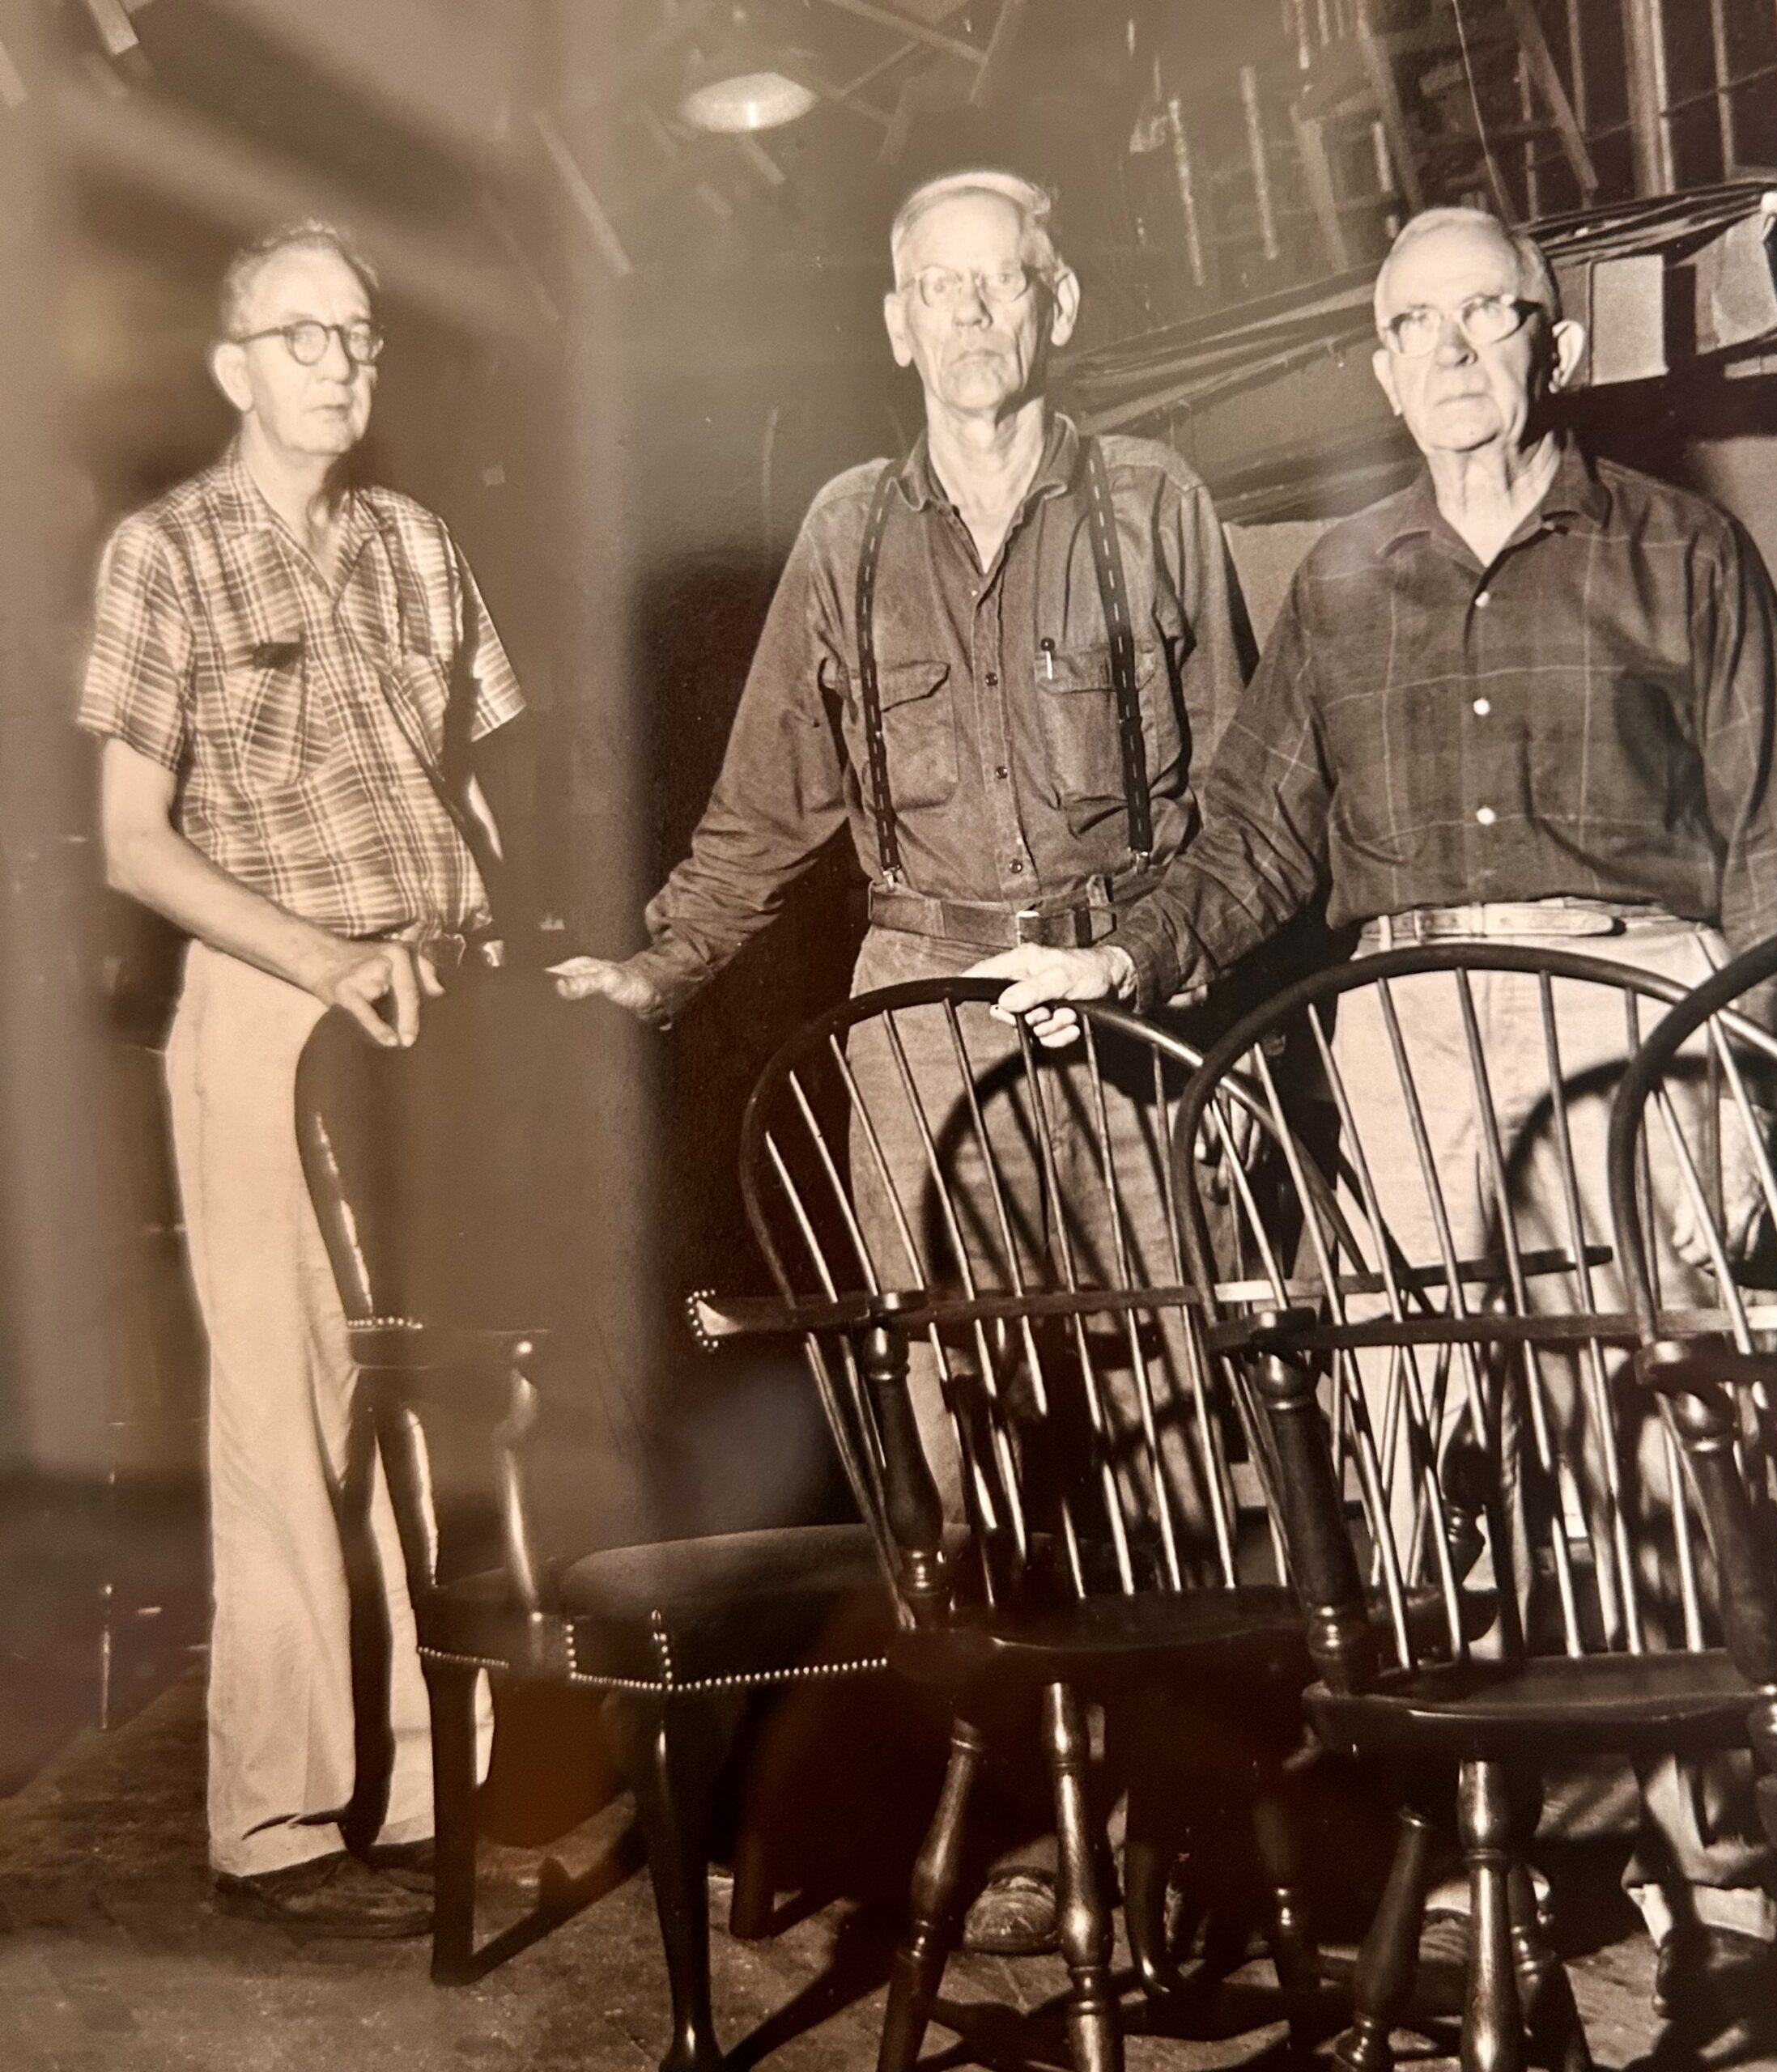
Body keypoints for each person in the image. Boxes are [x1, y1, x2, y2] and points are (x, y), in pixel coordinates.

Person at [981, 205, 1777, 2044]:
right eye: (1410, 324)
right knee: (1436, 1450)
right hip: (1405, 1033)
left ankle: (1718, 1873)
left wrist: (1745, 1072)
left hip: (1633, 1020)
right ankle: (1492, 1839)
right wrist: (1120, 957)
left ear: (1554, 346)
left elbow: (1773, 849)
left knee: (1650, 1445)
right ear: (1376, 362)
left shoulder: (1680, 550)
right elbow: (1255, 841)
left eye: (1484, 319)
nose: (1448, 354)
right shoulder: (1338, 581)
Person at [551, 167, 1248, 1951]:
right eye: (936, 289)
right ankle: (1018, 1822)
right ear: (893, 324)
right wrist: (662, 960)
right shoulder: (849, 529)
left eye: (999, 285)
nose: (970, 317)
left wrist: (1134, 964)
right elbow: (767, 799)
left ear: (1054, 304)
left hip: (1113, 1008)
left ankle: (1177, 1835)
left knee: (1159, 1404)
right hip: (916, 1015)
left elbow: (1235, 799)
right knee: (956, 1436)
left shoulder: (1155, 503)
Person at [80, 221, 521, 1936]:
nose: (340, 362)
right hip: (273, 1007)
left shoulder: (418, 548)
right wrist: (321, 956)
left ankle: (426, 1793)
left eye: (359, 335)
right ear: (232, 367)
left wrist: (488, 942)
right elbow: (131, 841)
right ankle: (276, 1817)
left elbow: (468, 799)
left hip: (430, 1009)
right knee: (286, 1408)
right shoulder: (165, 556)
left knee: (439, 1411)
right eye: (302, 335)